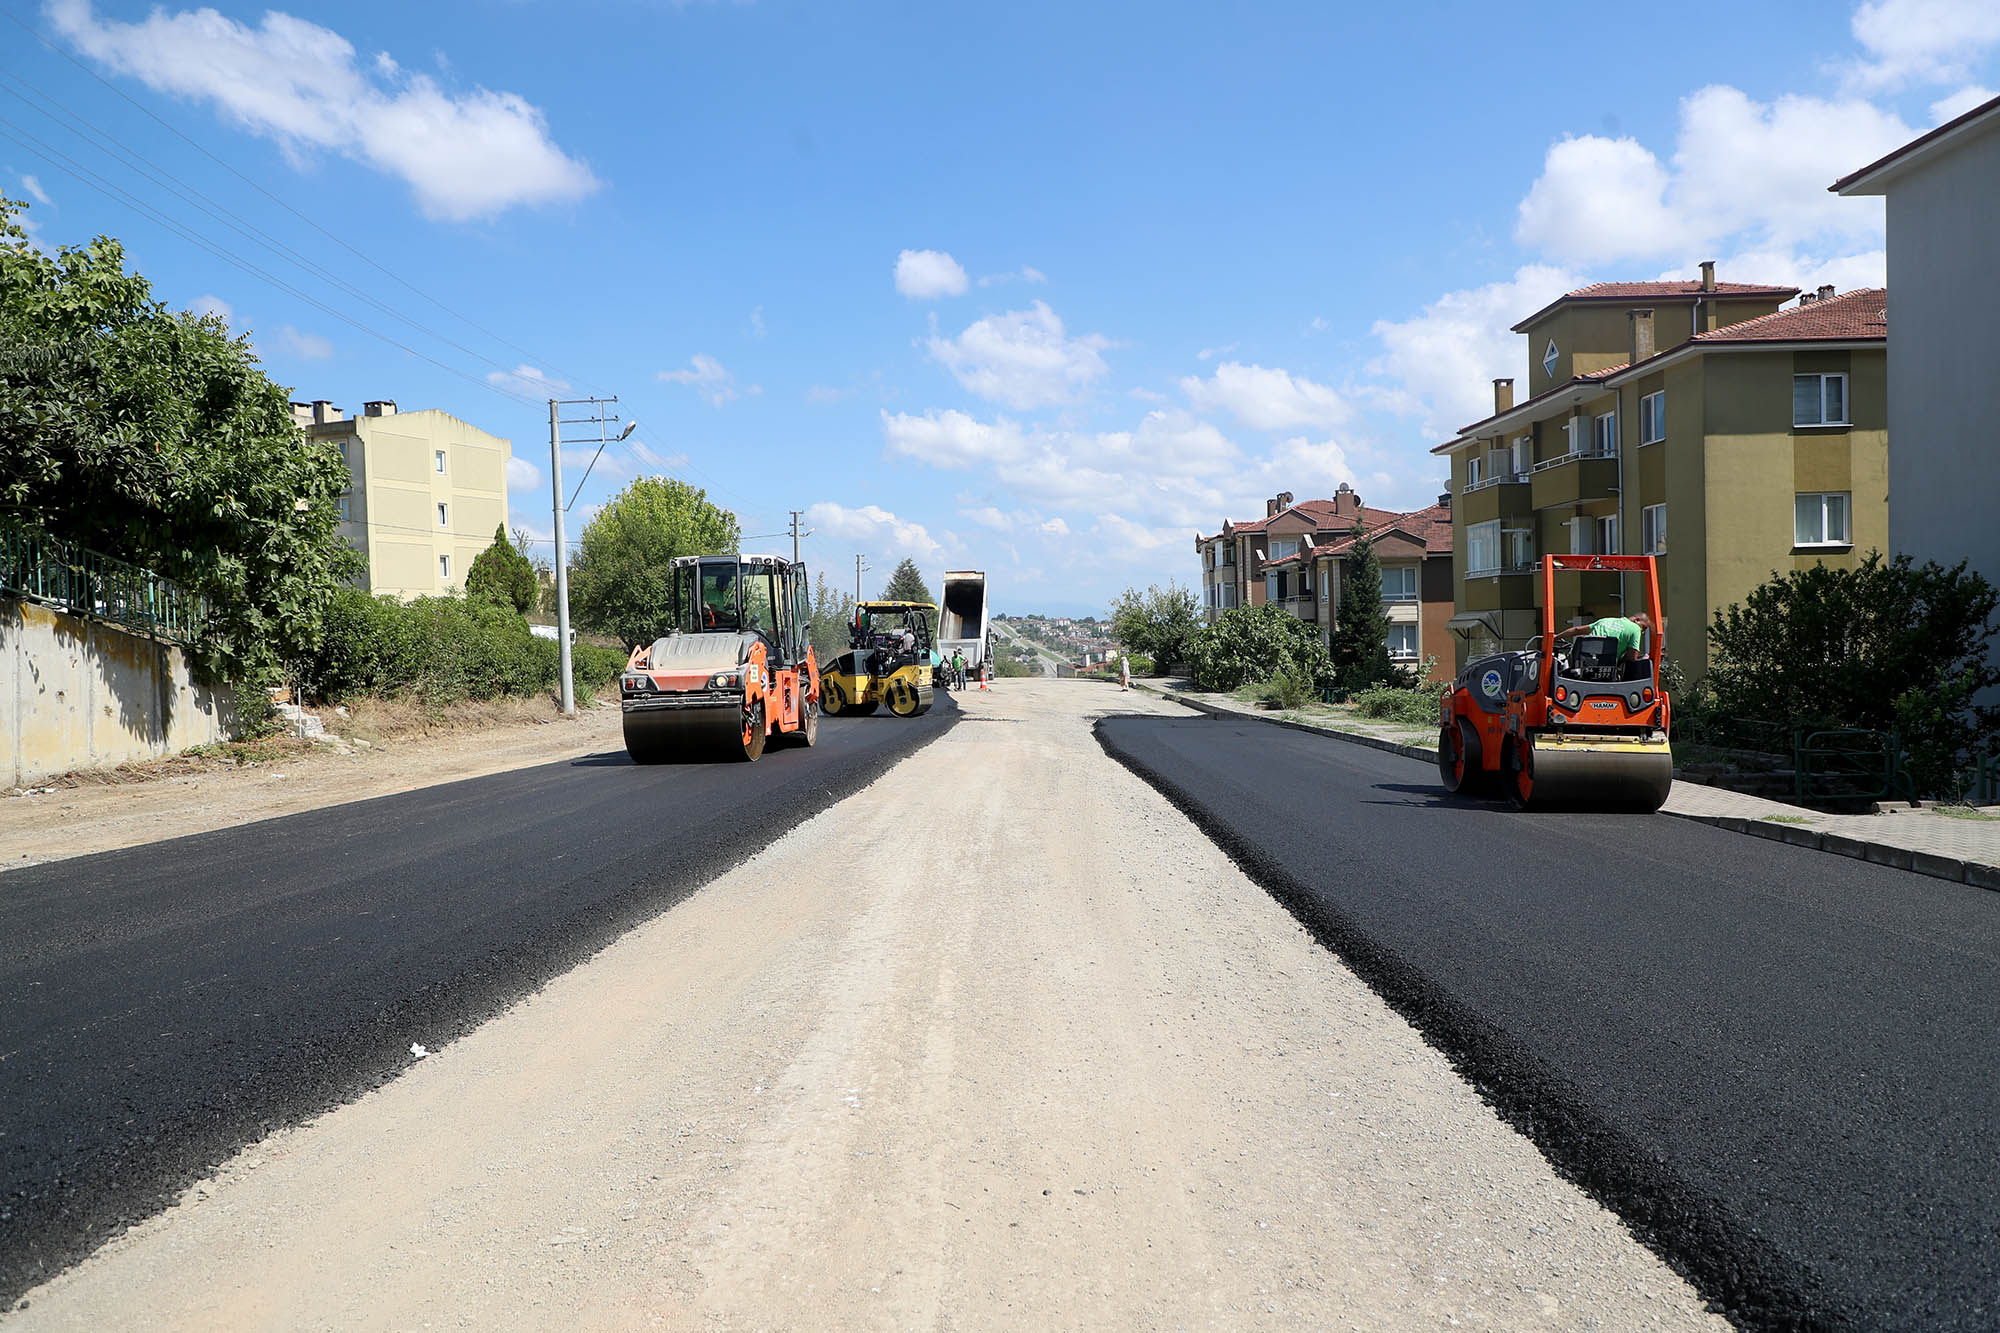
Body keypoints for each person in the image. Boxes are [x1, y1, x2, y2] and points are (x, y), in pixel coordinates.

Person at [1551, 611, 1653, 665]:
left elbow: (1577, 630)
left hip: (1582, 663)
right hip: (1607, 667)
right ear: (1637, 620)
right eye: (1644, 628)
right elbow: (1632, 658)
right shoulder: (1635, 629)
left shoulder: (1604, 621)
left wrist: (1556, 637)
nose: (1643, 632)